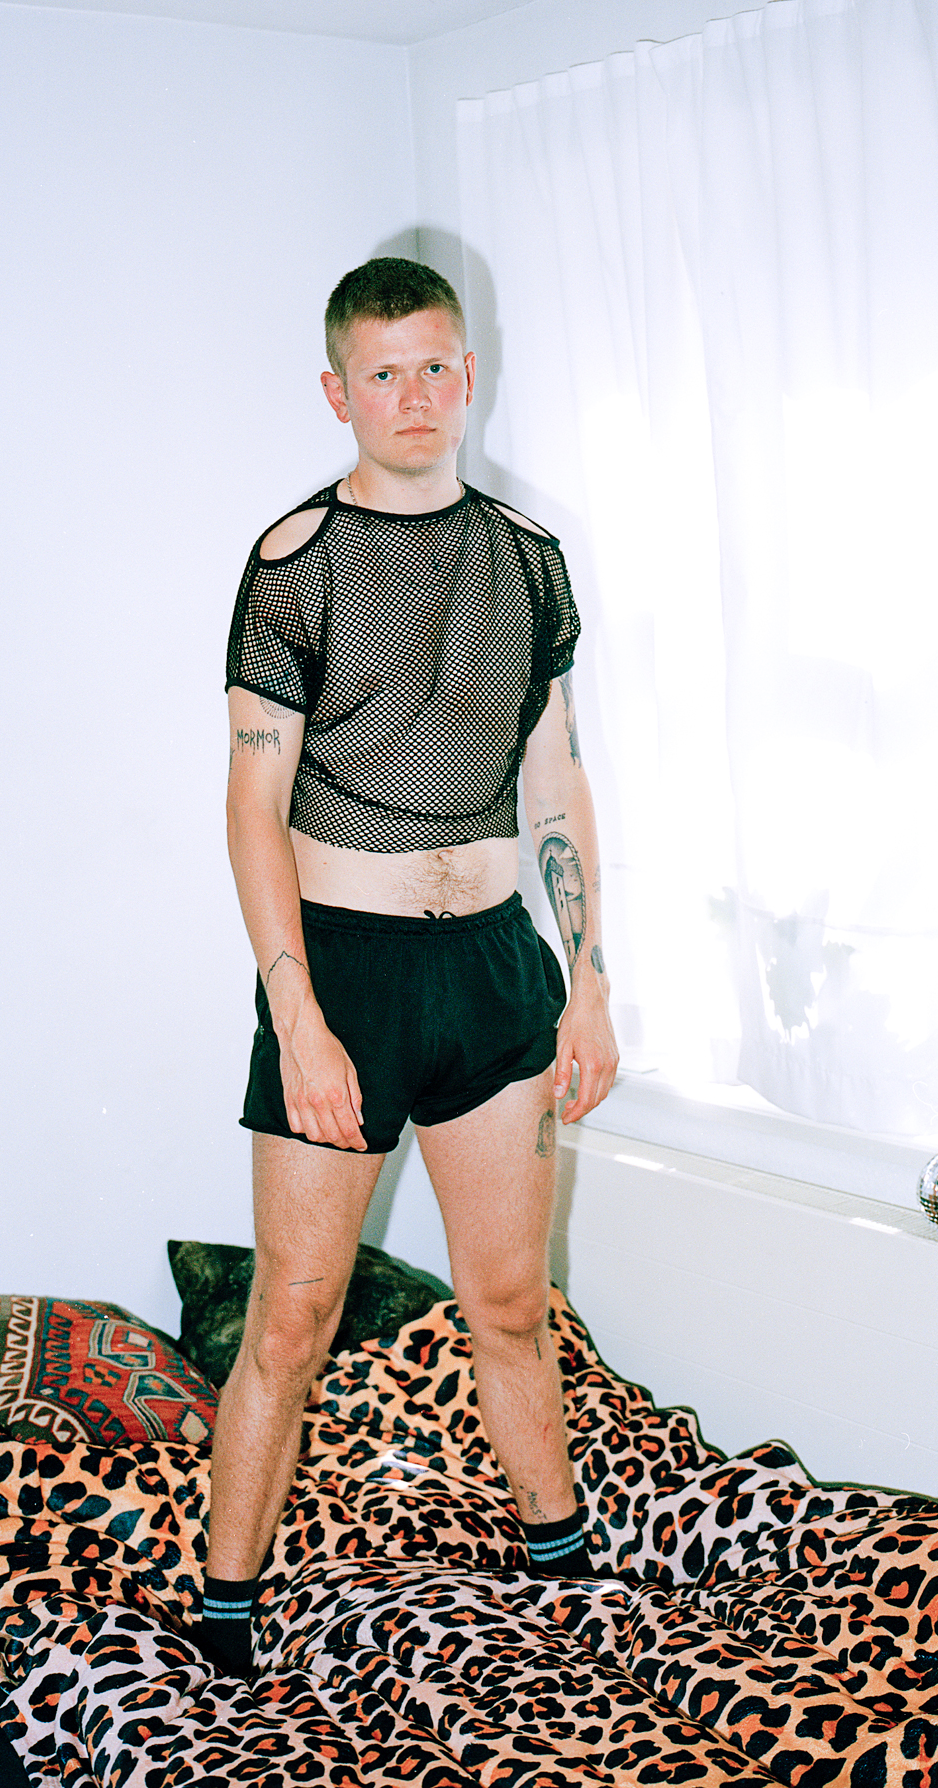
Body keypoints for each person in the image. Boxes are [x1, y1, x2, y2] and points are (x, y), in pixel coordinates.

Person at [202, 256, 618, 1677]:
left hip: (498, 969)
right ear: (339, 393)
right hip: (347, 976)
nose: (416, 395)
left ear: (470, 373)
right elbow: (253, 808)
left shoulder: (529, 557)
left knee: (511, 1304)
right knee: (294, 1318)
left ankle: (566, 1585)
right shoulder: (294, 564)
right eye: (384, 373)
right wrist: (298, 1017)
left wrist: (589, 981)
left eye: (437, 365)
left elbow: (556, 780)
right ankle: (224, 1618)